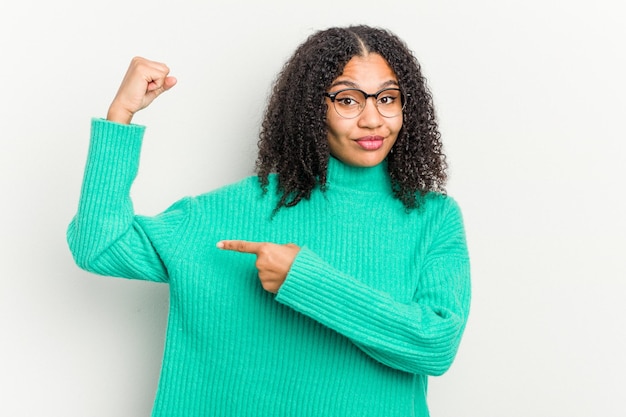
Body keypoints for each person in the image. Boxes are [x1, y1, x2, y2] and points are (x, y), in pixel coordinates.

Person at [67, 25, 471, 417]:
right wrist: (121, 115)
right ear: (312, 108)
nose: (372, 119)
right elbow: (101, 246)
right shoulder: (236, 209)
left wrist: (305, 280)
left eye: (388, 99)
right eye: (348, 100)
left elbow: (435, 346)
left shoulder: (433, 218)